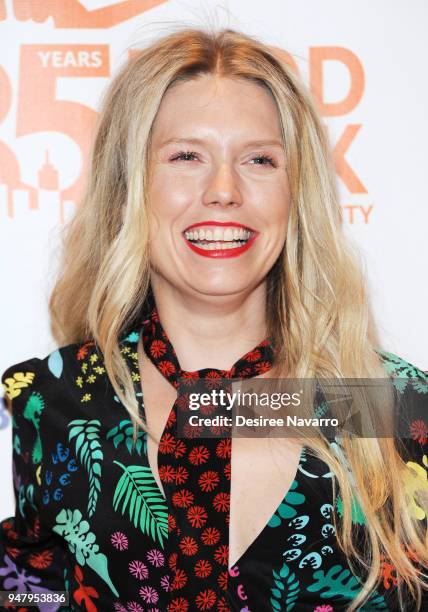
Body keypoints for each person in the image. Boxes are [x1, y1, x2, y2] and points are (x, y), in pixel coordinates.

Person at [1, 26, 427, 612]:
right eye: (185, 156)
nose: (223, 190)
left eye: (259, 159)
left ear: (295, 193)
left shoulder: (394, 402)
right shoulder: (49, 398)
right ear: (128, 189)